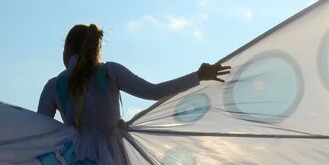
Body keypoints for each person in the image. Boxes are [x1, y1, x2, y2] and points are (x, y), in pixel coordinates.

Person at [39, 23, 229, 129]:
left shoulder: (54, 86)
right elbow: (154, 92)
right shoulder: (110, 72)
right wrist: (198, 76)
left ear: (67, 50)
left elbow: (37, 130)